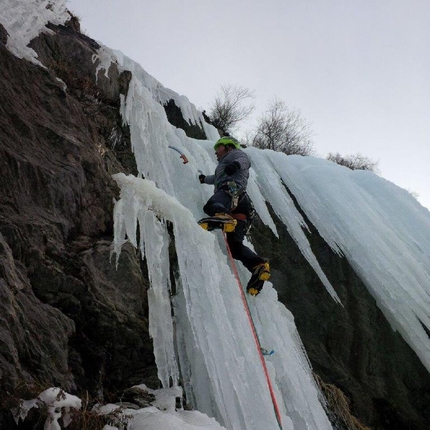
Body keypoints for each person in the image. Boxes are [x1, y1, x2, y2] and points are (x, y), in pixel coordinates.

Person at [198, 136, 270, 295]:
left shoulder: (235, 154)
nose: (216, 152)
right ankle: (258, 266)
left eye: (218, 148)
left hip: (231, 192)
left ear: (227, 147)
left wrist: (235, 165)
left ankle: (223, 217)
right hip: (242, 207)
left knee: (211, 206)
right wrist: (204, 179)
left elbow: (244, 160)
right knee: (234, 247)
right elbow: (216, 178)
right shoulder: (223, 166)